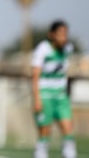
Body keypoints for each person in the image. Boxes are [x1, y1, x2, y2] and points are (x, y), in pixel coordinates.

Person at [31, 20, 77, 158]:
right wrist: (37, 99)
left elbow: (67, 69)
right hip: (45, 95)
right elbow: (35, 76)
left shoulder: (68, 48)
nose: (63, 37)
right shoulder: (43, 49)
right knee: (45, 131)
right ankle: (41, 153)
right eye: (60, 34)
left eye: (65, 34)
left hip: (61, 96)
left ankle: (69, 153)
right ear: (51, 34)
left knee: (68, 129)